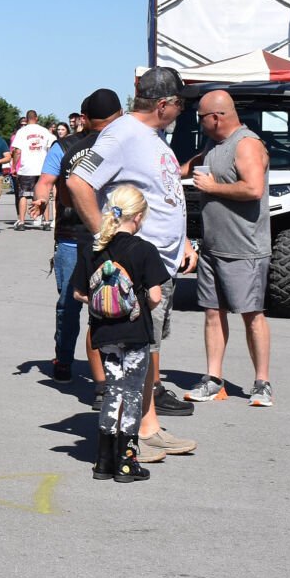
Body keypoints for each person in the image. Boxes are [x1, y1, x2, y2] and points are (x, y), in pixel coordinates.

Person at [67, 67, 199, 461]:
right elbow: (78, 181)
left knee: (149, 348)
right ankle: (136, 434)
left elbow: (159, 193)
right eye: (178, 103)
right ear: (163, 104)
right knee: (136, 350)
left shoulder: (150, 137)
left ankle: (149, 425)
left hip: (160, 260)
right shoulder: (122, 135)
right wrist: (108, 243)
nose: (181, 110)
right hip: (136, 265)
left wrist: (183, 240)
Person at [181, 90, 274, 406]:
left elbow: (253, 188)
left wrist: (212, 188)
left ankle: (262, 383)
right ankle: (213, 379)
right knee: (212, 313)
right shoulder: (214, 145)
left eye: (201, 117)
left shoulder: (246, 144)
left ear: (216, 117)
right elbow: (191, 166)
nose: (200, 123)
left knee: (252, 315)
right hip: (213, 248)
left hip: (245, 249)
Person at [75, 184, 168, 484]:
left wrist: (106, 304)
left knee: (113, 390)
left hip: (104, 332)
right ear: (138, 217)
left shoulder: (94, 248)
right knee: (132, 391)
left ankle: (103, 462)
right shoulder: (144, 250)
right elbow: (155, 297)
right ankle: (127, 462)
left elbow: (79, 293)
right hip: (135, 332)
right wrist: (129, 303)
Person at [34, 89, 118, 385]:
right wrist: (41, 198)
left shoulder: (120, 143)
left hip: (111, 236)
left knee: (108, 303)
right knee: (70, 304)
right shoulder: (64, 146)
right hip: (72, 235)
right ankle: (64, 359)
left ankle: (107, 366)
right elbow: (46, 180)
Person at [10, 110, 54, 229]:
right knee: (43, 194)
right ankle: (46, 222)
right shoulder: (44, 131)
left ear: (26, 118)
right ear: (37, 118)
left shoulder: (22, 131)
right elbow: (51, 147)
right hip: (42, 168)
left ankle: (22, 222)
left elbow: (17, 151)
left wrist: (14, 166)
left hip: (26, 168)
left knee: (23, 195)